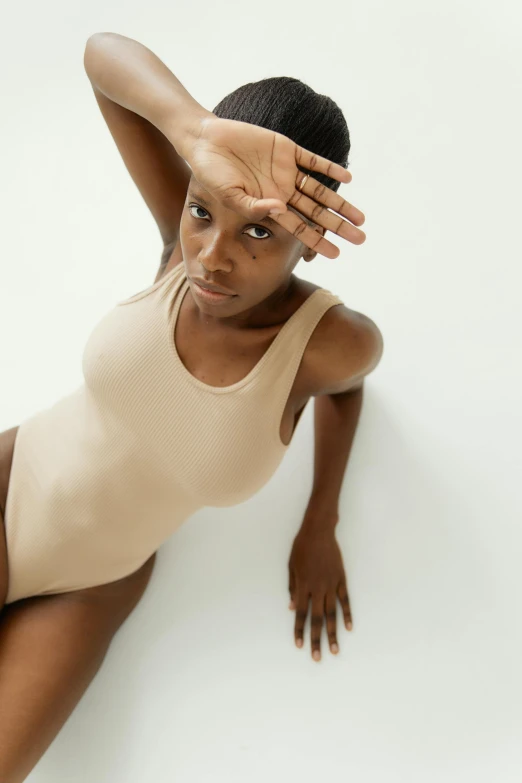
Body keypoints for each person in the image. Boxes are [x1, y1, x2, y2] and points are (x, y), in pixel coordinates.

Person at [0, 32, 383, 781]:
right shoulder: (179, 255)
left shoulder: (328, 343)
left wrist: (321, 521)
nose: (212, 255)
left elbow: (348, 392)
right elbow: (101, 56)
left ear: (311, 237)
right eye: (202, 210)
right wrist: (198, 134)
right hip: (12, 481)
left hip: (93, 581)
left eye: (260, 231)